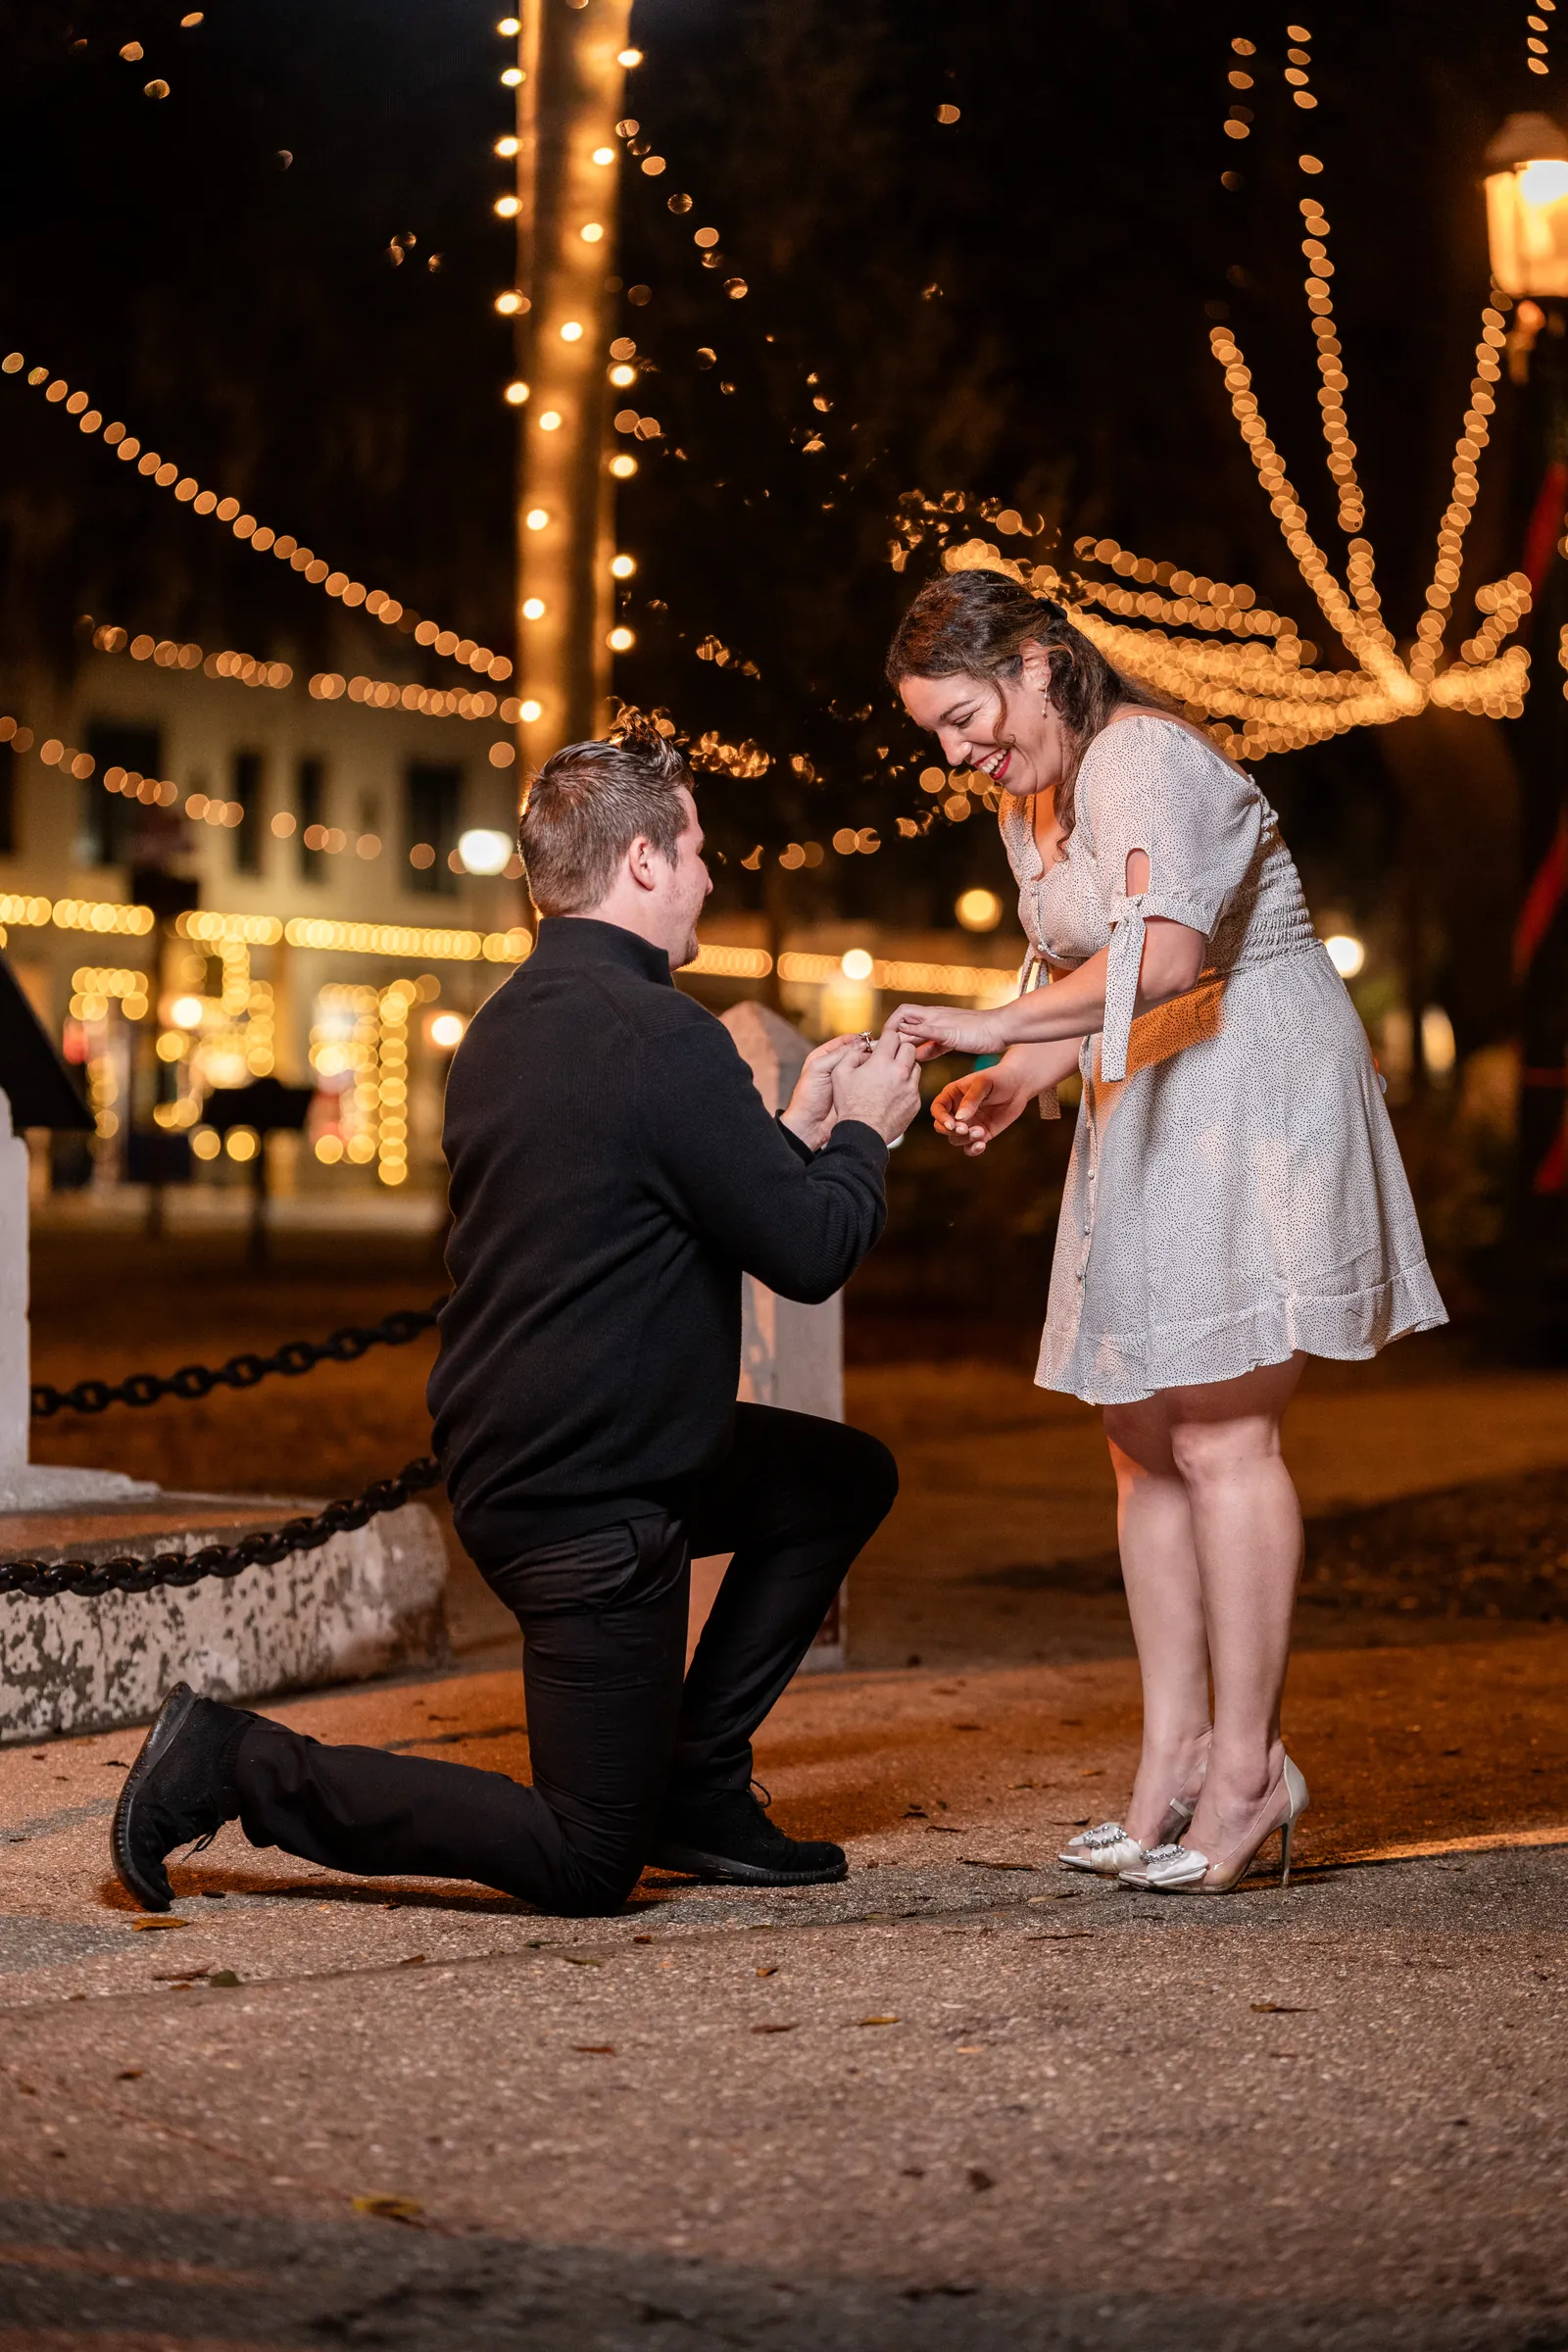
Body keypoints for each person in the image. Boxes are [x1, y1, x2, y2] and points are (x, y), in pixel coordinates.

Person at [113, 723, 920, 1918]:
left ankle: (694, 1784)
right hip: (590, 1497)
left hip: (557, 1450)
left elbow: (658, 1201)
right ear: (643, 862)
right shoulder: (659, 1034)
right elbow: (809, 1253)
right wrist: (865, 1135)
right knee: (586, 1860)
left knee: (836, 1477)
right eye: (697, 850)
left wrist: (793, 1132)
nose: (708, 875)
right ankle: (234, 1764)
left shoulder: (518, 1022)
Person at [883, 564, 1446, 1894]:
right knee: (1139, 1438)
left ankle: (1250, 1773)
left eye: (965, 717)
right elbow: (1087, 962)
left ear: (1031, 663)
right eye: (938, 736)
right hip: (1148, 1096)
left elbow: (1176, 957)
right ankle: (1171, 1767)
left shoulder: (1144, 757)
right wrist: (1017, 1078)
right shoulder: (1039, 795)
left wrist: (993, 1026)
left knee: (1221, 1430)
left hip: (1246, 1088)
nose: (960, 753)